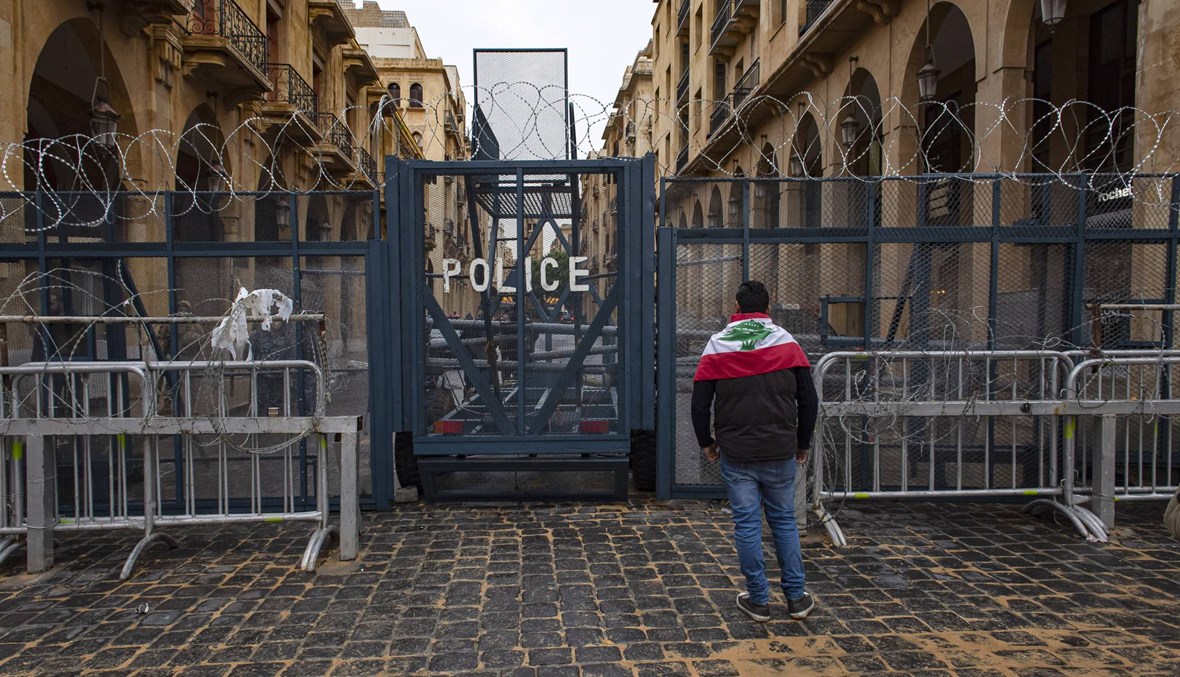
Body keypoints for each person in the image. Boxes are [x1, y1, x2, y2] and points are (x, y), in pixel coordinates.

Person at [690, 280, 818, 622]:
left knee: (746, 524)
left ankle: (758, 600)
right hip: (780, 449)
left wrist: (707, 442)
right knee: (784, 522)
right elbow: (808, 400)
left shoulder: (717, 345)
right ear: (768, 307)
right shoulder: (788, 344)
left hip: (737, 451)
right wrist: (802, 443)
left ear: (736, 306)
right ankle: (796, 598)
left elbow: (700, 403)